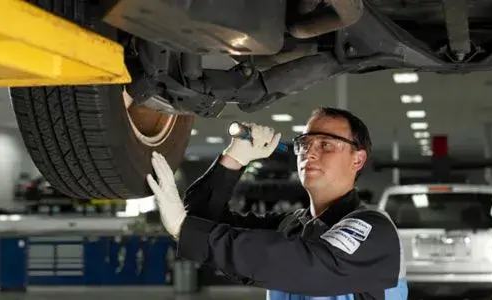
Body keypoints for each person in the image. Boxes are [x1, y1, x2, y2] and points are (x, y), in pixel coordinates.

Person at [147, 107, 407, 300]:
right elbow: (203, 222)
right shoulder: (292, 226)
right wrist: (233, 160)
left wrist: (185, 228)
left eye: (326, 144)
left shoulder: (374, 230)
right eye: (305, 143)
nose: (310, 152)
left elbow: (303, 264)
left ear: (358, 160)